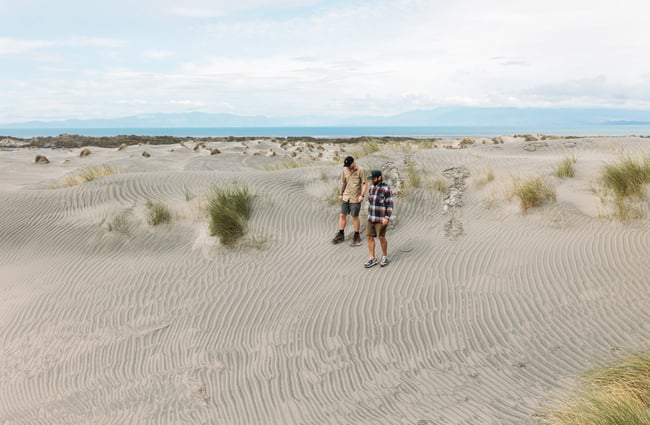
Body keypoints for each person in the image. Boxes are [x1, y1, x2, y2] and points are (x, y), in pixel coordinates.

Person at [332, 156, 367, 246]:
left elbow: (364, 184)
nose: (347, 166)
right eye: (346, 165)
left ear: (353, 163)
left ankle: (356, 234)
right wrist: (340, 194)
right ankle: (341, 233)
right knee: (342, 215)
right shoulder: (345, 169)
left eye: (349, 165)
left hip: (355, 197)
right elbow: (343, 182)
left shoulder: (360, 170)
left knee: (354, 216)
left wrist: (362, 195)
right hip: (346, 196)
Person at [364, 170, 393, 268]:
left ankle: (384, 256)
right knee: (369, 237)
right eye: (371, 178)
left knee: (381, 237)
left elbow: (389, 205)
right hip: (371, 217)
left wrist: (387, 217)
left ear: (379, 178)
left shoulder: (386, 189)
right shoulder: (372, 187)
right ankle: (372, 258)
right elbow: (370, 200)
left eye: (374, 178)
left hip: (381, 218)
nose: (372, 180)